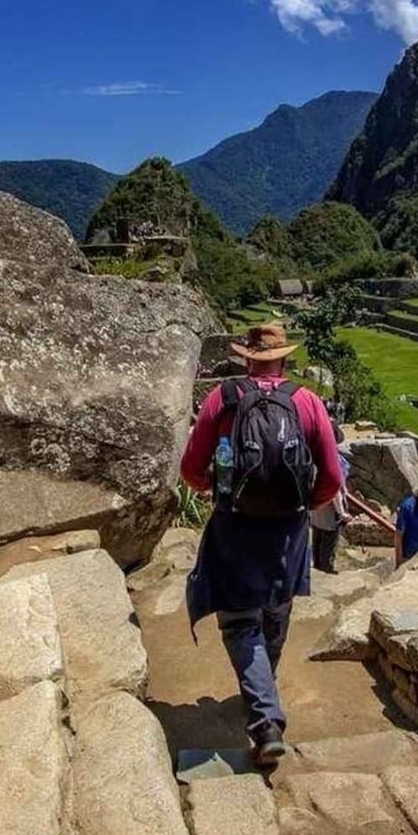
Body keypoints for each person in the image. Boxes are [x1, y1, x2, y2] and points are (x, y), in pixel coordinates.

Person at [181, 324, 343, 769]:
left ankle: (265, 719)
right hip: (288, 530)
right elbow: (331, 476)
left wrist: (214, 488)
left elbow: (192, 469)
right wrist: (302, 505)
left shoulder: (224, 400)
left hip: (235, 525)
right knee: (276, 612)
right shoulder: (306, 402)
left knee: (239, 623)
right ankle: (263, 690)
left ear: (247, 358)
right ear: (284, 360)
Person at [310, 446, 351, 574]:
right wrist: (342, 513)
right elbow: (335, 492)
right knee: (327, 549)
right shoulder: (332, 464)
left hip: (315, 514)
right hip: (329, 518)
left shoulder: (312, 462)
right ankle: (326, 573)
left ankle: (318, 570)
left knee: (317, 546)